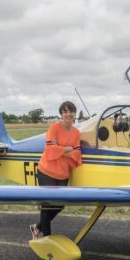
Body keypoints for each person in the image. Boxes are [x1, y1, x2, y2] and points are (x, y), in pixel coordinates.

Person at [30, 101, 82, 239]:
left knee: (60, 205)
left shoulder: (76, 133)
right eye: (65, 112)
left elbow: (77, 154)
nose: (68, 114)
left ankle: (37, 227)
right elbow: (50, 150)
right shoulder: (54, 128)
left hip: (63, 173)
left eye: (70, 111)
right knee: (47, 205)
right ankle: (47, 239)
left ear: (74, 114)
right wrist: (68, 149)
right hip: (46, 170)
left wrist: (59, 148)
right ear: (61, 114)